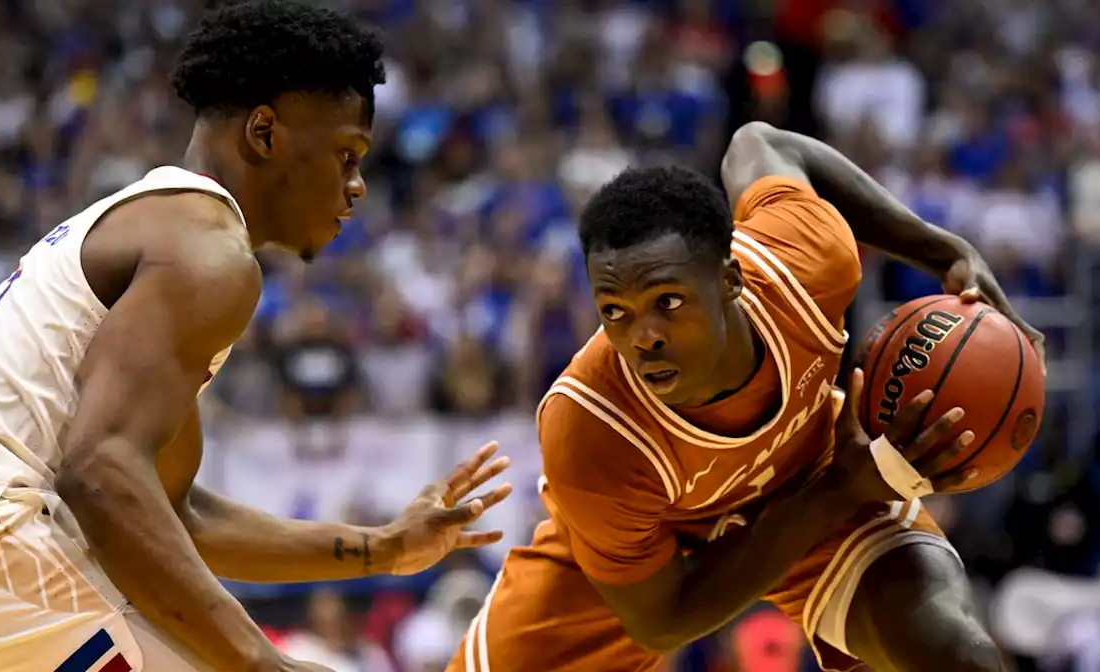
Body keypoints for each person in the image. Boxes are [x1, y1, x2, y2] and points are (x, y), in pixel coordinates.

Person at [0, 3, 513, 671]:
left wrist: (380, 548)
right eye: (345, 156)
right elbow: (99, 474)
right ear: (265, 132)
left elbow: (171, 517)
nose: (356, 187)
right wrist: (264, 661)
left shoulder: (159, 222)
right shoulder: (208, 254)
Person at [448, 121, 1046, 672]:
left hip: (814, 473)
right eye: (615, 312)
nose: (644, 336)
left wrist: (947, 252)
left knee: (955, 652)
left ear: (730, 280)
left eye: (668, 302)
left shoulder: (804, 266)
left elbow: (763, 141)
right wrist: (841, 487)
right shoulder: (590, 428)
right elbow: (665, 620)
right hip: (640, 577)